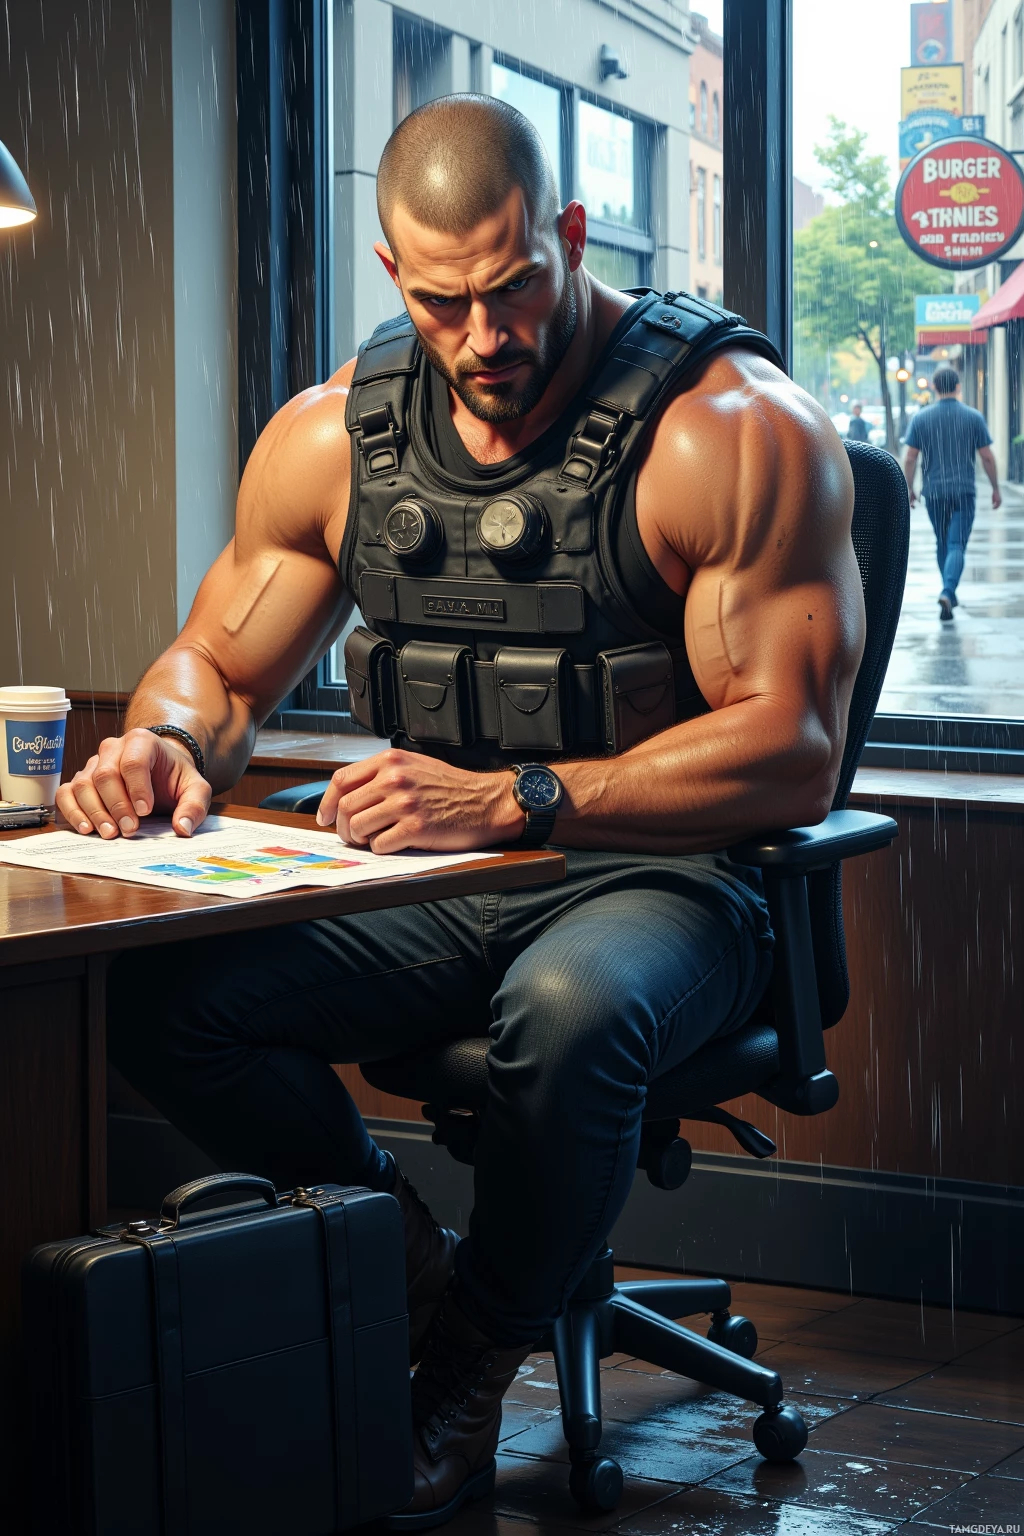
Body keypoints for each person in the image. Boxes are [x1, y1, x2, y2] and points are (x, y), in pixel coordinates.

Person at [57, 97, 864, 1528]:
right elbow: (220, 665)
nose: (485, 338)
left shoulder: (730, 434)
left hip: (667, 882)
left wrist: (518, 795)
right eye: (444, 303)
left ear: (568, 237)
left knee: (567, 1012)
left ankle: (465, 1370)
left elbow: (791, 753)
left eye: (513, 293)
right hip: (427, 878)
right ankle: (415, 1265)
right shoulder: (330, 438)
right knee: (163, 1000)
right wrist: (162, 740)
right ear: (393, 275)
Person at [903, 365, 1000, 621]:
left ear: (934, 387)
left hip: (934, 492)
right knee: (957, 544)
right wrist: (995, 487)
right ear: (957, 386)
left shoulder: (921, 419)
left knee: (943, 543)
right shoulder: (973, 417)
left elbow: (911, 457)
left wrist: (909, 488)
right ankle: (948, 590)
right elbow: (987, 457)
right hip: (963, 491)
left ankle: (949, 592)